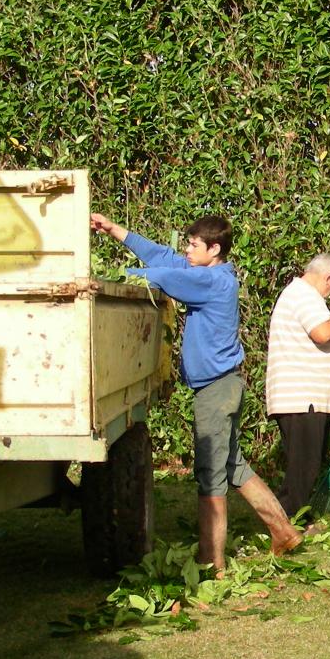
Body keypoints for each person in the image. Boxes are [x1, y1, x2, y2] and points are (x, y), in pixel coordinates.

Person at [90, 212, 301, 572]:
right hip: (225, 386)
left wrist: (119, 276)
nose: (186, 250)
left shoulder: (211, 282)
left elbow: (160, 275)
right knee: (233, 465)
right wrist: (114, 230)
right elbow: (163, 257)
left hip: (216, 391)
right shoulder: (208, 273)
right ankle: (283, 531)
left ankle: (211, 560)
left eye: (193, 245)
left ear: (214, 249)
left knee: (210, 472)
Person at [266, 253, 330, 518]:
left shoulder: (301, 295)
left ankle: (299, 518)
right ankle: (286, 522)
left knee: (307, 463)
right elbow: (323, 333)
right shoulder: (304, 295)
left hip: (308, 396)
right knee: (303, 466)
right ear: (328, 277)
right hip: (302, 398)